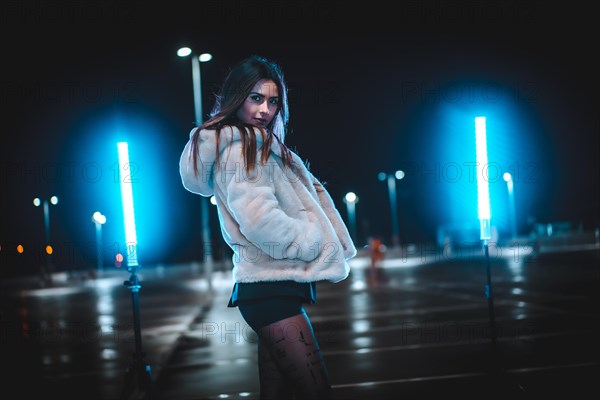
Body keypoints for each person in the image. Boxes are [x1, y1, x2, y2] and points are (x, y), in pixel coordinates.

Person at [179, 55, 357, 399]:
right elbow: (259, 220)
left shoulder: (261, 146)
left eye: (273, 101)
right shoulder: (241, 149)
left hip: (272, 287)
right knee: (316, 391)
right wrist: (309, 241)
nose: (265, 109)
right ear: (237, 98)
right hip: (268, 291)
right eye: (255, 98)